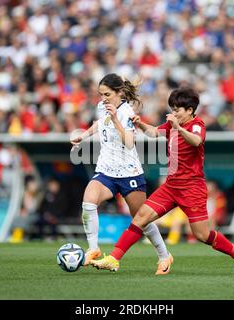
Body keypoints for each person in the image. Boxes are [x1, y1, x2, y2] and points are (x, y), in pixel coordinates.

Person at [91, 86, 234, 276]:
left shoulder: (197, 125)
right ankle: (114, 258)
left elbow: (196, 141)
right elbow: (153, 133)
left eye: (177, 109)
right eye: (172, 109)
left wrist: (178, 127)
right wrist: (140, 124)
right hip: (171, 186)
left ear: (190, 110)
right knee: (141, 217)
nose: (174, 113)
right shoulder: (172, 125)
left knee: (202, 234)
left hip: (192, 188)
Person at [70, 73, 172, 275]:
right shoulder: (102, 107)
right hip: (106, 170)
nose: (103, 98)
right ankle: (93, 248)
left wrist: (116, 118)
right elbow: (100, 123)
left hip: (129, 174)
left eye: (107, 94)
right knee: (89, 201)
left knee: (141, 220)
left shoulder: (126, 111)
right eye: (101, 94)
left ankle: (164, 255)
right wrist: (83, 135)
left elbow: (129, 141)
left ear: (118, 92)